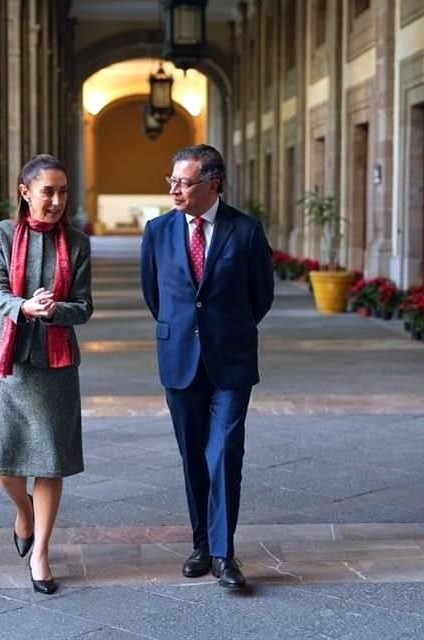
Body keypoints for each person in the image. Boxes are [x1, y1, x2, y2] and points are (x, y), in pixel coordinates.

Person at [140, 144, 274, 589]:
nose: (175, 189)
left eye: (184, 182)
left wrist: (225, 329)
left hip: (231, 360)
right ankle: (201, 544)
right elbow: (154, 296)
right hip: (179, 357)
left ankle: (224, 553)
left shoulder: (246, 231)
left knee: (225, 454)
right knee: (192, 455)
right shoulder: (157, 231)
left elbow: (261, 296)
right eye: (172, 181)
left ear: (212, 183)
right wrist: (184, 330)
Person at [0, 154, 93, 595]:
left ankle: (41, 553)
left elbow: (83, 307)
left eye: (63, 191)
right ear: (25, 192)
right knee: (4, 461)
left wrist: (52, 310)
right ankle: (23, 510)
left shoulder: (79, 243)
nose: (57, 200)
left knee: (51, 460)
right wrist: (24, 307)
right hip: (9, 358)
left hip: (57, 363)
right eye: (48, 191)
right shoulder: (1, 235)